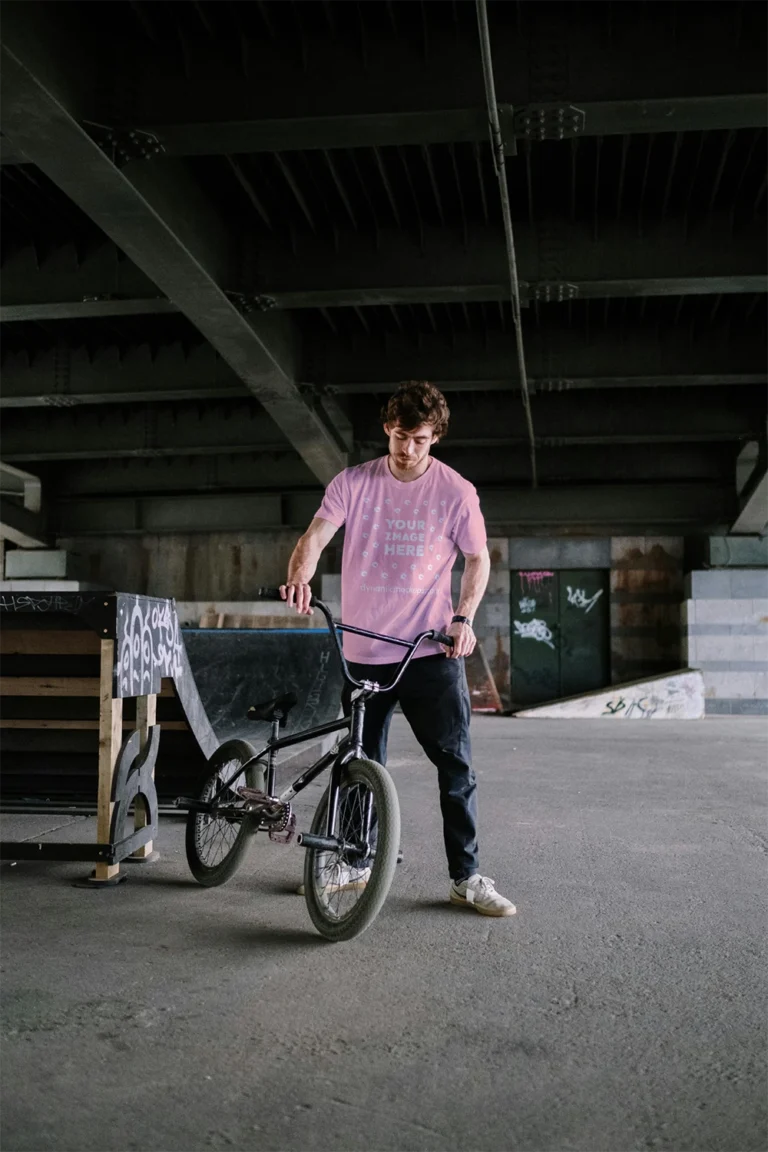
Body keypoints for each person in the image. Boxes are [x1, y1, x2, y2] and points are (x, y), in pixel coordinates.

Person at [280, 380, 515, 918]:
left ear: (435, 438)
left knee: (455, 765)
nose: (408, 449)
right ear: (388, 429)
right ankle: (356, 861)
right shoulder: (353, 483)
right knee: (361, 763)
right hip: (363, 651)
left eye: (420, 439)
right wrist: (299, 576)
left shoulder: (456, 492)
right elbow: (314, 537)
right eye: (401, 436)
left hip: (429, 652)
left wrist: (463, 618)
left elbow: (477, 561)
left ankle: (466, 877)